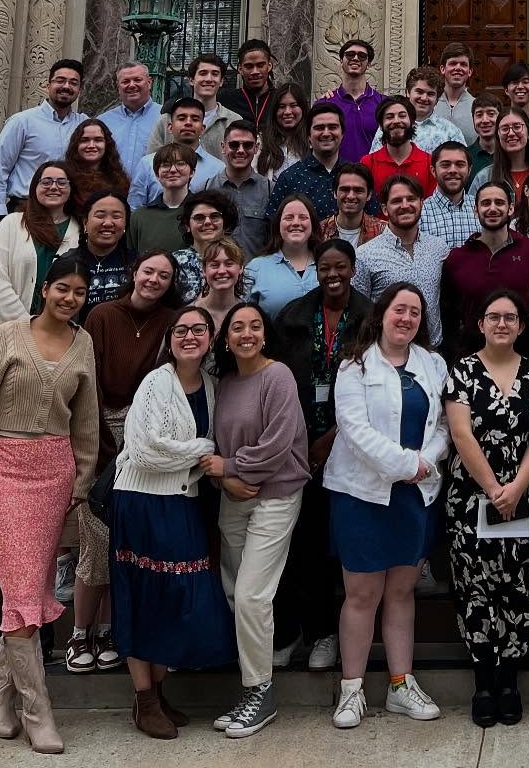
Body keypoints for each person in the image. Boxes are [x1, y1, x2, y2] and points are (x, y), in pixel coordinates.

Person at [0, 252, 98, 753]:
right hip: (1, 471)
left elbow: (85, 419)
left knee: (30, 588)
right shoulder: (7, 337)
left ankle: (2, 698)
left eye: (79, 292)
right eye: (62, 288)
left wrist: (81, 483)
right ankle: (38, 712)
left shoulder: (82, 343)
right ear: (45, 289)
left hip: (53, 475)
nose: (69, 298)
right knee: (22, 593)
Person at [326, 283, 450, 729]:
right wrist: (407, 463)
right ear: (381, 315)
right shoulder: (354, 367)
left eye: (415, 312)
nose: (407, 318)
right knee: (362, 595)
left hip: (415, 495)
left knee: (401, 592)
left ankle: (401, 684)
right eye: (400, 310)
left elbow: (443, 426)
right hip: (362, 494)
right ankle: (352, 690)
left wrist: (425, 461)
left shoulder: (433, 364)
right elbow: (354, 431)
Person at [110, 304, 235, 739]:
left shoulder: (215, 386)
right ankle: (143, 699)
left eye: (198, 329)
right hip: (142, 502)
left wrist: (202, 457)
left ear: (209, 339)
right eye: (181, 330)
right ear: (170, 339)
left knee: (176, 594)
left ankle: (159, 693)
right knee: (144, 593)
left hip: (184, 503)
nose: (189, 336)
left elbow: (203, 450)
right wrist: (203, 449)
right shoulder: (154, 383)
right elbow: (144, 450)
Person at [445, 287, 529, 726]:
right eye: (493, 317)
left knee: (518, 584)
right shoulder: (461, 372)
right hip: (470, 499)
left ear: (520, 325)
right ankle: (483, 683)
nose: (501, 324)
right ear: (481, 324)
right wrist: (495, 488)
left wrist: (517, 488)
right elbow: (461, 434)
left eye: (509, 318)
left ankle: (510, 682)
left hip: (523, 497)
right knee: (477, 587)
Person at [69, 253, 179, 676]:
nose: (153, 280)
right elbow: (87, 380)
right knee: (96, 540)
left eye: (163, 276)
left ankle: (115, 630)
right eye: (148, 271)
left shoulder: (171, 320)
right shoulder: (102, 315)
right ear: (134, 273)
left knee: (128, 541)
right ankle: (82, 632)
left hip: (146, 435)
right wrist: (98, 442)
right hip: (100, 433)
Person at [204, 301, 310, 739]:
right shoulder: (224, 383)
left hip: (276, 496)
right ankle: (255, 682)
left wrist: (228, 469)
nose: (246, 334)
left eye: (254, 327)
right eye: (237, 328)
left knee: (251, 595)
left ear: (265, 335)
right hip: (234, 499)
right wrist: (225, 481)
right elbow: (212, 445)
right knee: (234, 592)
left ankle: (260, 692)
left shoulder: (278, 376)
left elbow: (277, 445)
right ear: (226, 339)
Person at [271, 241, 371, 674]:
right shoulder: (293, 317)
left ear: (352, 269)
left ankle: (331, 632)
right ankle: (304, 631)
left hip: (349, 445)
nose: (333, 275)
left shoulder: (370, 317)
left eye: (341, 267)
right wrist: (298, 441)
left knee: (339, 544)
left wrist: (329, 440)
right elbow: (275, 378)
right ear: (316, 270)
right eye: (326, 267)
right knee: (302, 543)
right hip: (296, 445)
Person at [440, 180, 529, 360]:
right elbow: (448, 314)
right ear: (475, 210)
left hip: (521, 355)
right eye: (485, 203)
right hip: (472, 357)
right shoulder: (457, 258)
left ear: (511, 208)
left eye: (499, 203)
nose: (492, 208)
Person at [0, 161, 81, 339]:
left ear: (71, 188)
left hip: (56, 335)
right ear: (34, 187)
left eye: (61, 182)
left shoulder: (79, 230)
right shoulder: (12, 223)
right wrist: (28, 325)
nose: (53, 187)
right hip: (5, 331)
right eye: (46, 182)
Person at [353, 174, 451, 345]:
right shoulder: (365, 255)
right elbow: (359, 310)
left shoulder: (439, 248)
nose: (405, 206)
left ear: (421, 203)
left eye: (411, 199)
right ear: (385, 209)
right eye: (397, 201)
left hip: (433, 352)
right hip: (386, 353)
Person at [0, 59, 88, 218]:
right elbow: (0, 167)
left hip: (68, 213)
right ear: (48, 86)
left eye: (73, 83)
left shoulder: (84, 125)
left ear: (79, 90)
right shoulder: (22, 122)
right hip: (25, 210)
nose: (66, 86)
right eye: (60, 80)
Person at [193, 117, 271, 258]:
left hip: (257, 274)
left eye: (247, 145)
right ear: (223, 147)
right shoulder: (205, 189)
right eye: (234, 145)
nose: (240, 150)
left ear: (256, 148)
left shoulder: (270, 189)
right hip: (217, 272)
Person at [146, 53, 240, 157]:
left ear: (221, 81)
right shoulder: (167, 120)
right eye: (203, 73)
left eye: (215, 74)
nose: (209, 79)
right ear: (191, 80)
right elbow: (151, 163)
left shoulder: (233, 121)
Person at [267, 99, 347, 221]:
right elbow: (272, 224)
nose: (326, 133)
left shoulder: (356, 175)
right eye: (319, 128)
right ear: (308, 137)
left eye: (332, 127)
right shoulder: (289, 178)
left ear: (342, 134)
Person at [134, 96, 225, 195]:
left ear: (202, 128)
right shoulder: (148, 164)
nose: (188, 123)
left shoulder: (217, 169)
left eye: (195, 119)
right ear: (170, 127)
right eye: (182, 118)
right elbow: (135, 207)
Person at [371, 66, 467, 157]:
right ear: (408, 92)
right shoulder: (391, 125)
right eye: (419, 92)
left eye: (430, 94)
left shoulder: (450, 132)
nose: (424, 98)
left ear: (437, 98)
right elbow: (375, 161)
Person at [248, 196, 320, 318]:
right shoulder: (256, 268)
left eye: (303, 217)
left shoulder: (327, 264)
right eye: (288, 218)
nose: (296, 223)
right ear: (278, 225)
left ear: (313, 224)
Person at [126, 144, 198, 256]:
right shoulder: (139, 217)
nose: (173, 170)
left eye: (180, 164)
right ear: (156, 174)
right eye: (165, 165)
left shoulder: (202, 214)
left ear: (192, 172)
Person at [97, 63, 163, 183]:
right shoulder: (103, 121)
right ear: (118, 86)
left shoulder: (164, 118)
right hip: (111, 193)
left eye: (137, 80)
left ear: (149, 82)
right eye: (125, 81)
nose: (132, 85)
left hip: (154, 194)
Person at [172, 187, 240, 302]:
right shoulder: (174, 262)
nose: (207, 222)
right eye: (199, 218)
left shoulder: (236, 259)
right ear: (187, 226)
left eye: (214, 216)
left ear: (225, 223)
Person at [324, 38, 385, 166]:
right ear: (341, 60)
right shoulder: (325, 103)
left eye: (362, 56)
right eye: (350, 54)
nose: (356, 58)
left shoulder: (384, 104)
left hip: (372, 178)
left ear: (369, 64)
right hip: (336, 179)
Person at [362, 97, 437, 199]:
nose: (396, 121)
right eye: (389, 117)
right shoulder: (368, 163)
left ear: (412, 122)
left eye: (402, 116)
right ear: (380, 125)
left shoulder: (429, 163)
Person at [76, 192, 135, 315]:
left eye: (116, 216)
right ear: (85, 222)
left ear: (125, 224)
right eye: (100, 215)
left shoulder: (137, 263)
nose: (108, 223)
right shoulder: (68, 262)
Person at [65, 117, 138, 211]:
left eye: (98, 140)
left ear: (107, 144)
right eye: (84, 140)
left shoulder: (119, 179)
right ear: (76, 145)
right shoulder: (66, 178)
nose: (91, 145)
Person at [421, 139, 482, 245]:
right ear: (433, 171)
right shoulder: (420, 213)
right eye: (445, 165)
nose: (453, 170)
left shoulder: (481, 209)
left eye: (460, 164)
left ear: (469, 170)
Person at [474, 110, 529, 200]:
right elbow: (472, 212)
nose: (511, 133)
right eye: (504, 129)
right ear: (498, 136)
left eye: (517, 127)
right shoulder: (484, 177)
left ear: (528, 133)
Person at [256, 81, 309, 187]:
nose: (287, 111)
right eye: (282, 106)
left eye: (293, 105)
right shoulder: (262, 140)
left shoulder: (312, 140)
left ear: (303, 108)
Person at [322, 164, 385, 249]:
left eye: (358, 190)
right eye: (345, 189)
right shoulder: (318, 232)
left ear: (369, 195)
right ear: (334, 193)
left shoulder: (383, 232)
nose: (351, 196)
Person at [194, 237, 252, 329]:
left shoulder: (250, 315)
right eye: (214, 265)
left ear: (241, 268)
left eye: (229, 264)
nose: (221, 271)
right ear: (204, 270)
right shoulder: (189, 315)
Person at [233, 38, 277, 131]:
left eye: (260, 65)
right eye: (249, 66)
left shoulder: (280, 99)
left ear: (269, 66)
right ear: (240, 69)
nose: (255, 72)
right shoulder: (227, 100)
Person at [437, 43, 477, 144]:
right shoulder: (430, 104)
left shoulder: (477, 107)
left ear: (470, 71)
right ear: (442, 69)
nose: (458, 68)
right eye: (453, 63)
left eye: (463, 64)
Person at [468, 94, 503, 180]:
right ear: (473, 119)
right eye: (479, 115)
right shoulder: (465, 156)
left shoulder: (510, 154)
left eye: (491, 114)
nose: (485, 120)